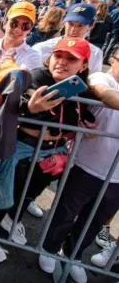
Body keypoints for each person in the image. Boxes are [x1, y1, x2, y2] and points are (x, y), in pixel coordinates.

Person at [0, 37, 95, 263]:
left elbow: (81, 114)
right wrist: (28, 107)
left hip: (52, 152)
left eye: (71, 58)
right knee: (6, 192)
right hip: (20, 147)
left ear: (84, 65)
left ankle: (11, 220)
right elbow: (11, 102)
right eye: (59, 55)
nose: (62, 62)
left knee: (28, 194)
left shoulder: (82, 90)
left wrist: (84, 124)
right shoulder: (37, 76)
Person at [39, 44, 119, 283]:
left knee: (94, 221)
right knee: (65, 213)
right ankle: (49, 249)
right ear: (113, 59)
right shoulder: (100, 77)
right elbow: (107, 96)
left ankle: (72, 254)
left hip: (116, 178)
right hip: (85, 166)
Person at [33, 3, 103, 73]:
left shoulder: (95, 53)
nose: (73, 30)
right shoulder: (41, 48)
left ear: (91, 25)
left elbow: (94, 79)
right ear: (64, 22)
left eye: (80, 25)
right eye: (70, 24)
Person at [0, 2, 41, 71]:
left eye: (25, 26)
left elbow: (20, 80)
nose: (17, 29)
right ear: (5, 23)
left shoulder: (33, 56)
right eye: (14, 23)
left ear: (30, 29)